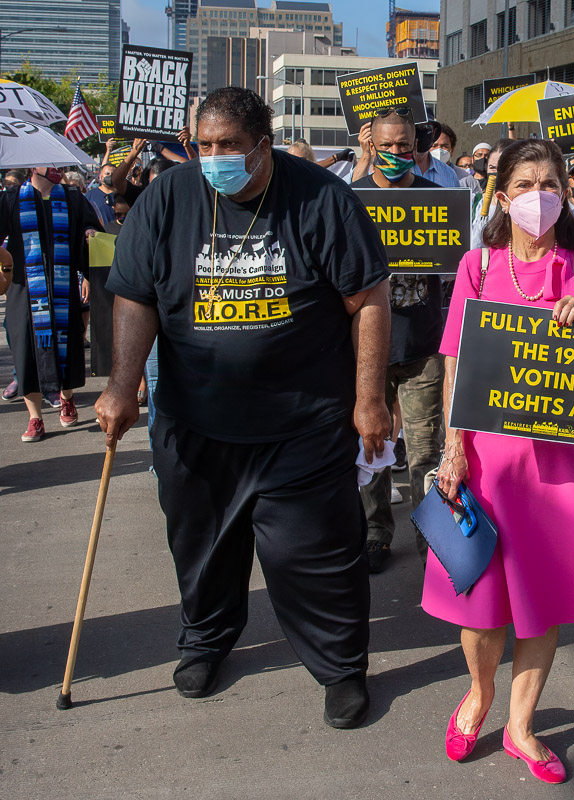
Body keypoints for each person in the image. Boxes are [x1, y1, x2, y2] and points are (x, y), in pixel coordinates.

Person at [94, 86, 391, 729]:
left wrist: (369, 401)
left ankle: (341, 669)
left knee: (313, 555)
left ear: (264, 144)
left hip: (302, 424)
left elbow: (368, 299)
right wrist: (121, 386)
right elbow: (135, 297)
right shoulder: (167, 200)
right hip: (195, 422)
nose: (214, 157)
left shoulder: (322, 197)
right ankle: (205, 641)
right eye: (204, 145)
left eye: (229, 146)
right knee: (200, 547)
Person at [430, 138, 574, 784]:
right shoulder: (478, 267)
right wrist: (452, 448)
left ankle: (522, 725)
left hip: (564, 469)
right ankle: (478, 693)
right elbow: (455, 361)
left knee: (543, 602)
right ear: (501, 197)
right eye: (524, 184)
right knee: (481, 603)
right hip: (490, 463)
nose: (538, 195)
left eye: (548, 183)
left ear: (565, 193)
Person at [349, 107, 444, 573]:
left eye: (402, 146)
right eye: (384, 146)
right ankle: (375, 532)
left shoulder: (440, 200)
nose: (394, 153)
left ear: (415, 145)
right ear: (371, 145)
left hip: (423, 346)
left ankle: (430, 535)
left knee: (426, 451)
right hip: (368, 351)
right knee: (373, 447)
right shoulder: (351, 201)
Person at [0, 165, 100, 442]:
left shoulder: (72, 197)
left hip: (62, 286)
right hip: (23, 288)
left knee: (67, 344)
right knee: (25, 351)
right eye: (52, 164)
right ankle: (35, 418)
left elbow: (89, 226)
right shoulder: (11, 199)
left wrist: (90, 235)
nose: (58, 169)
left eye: (62, 166)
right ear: (35, 166)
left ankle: (66, 398)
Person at [86, 160, 118, 226]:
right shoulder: (90, 195)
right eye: (107, 174)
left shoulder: (122, 195)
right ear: (100, 177)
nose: (110, 176)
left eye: (113, 174)